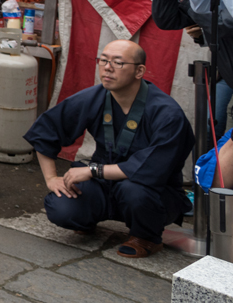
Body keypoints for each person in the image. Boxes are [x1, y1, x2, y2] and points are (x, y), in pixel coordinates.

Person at [26, 40, 193, 258]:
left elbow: (150, 168)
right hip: (103, 183)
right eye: (103, 60)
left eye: (118, 63)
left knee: (134, 190)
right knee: (61, 206)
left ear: (139, 71)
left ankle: (146, 237)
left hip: (151, 190)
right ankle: (87, 218)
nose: (107, 67)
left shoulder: (166, 113)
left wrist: (91, 171)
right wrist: (51, 178)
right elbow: (46, 130)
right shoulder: (93, 97)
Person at [153, 0, 233, 137]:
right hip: (225, 70)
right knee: (208, 126)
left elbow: (222, 22)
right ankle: (209, 162)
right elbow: (167, 20)